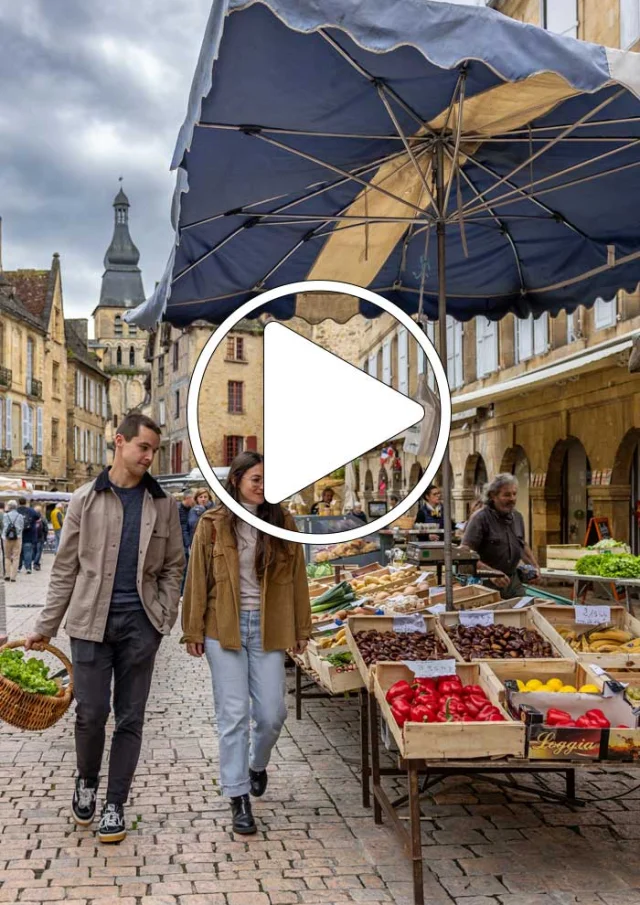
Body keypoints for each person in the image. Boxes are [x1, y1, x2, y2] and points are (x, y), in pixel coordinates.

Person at [25, 412, 184, 845]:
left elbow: (173, 567)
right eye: (144, 448)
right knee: (91, 713)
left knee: (131, 718)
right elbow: (65, 570)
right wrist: (45, 626)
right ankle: (87, 781)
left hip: (140, 626)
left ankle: (116, 803)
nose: (150, 456)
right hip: (89, 624)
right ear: (120, 442)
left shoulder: (164, 505)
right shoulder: (84, 499)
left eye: (153, 449)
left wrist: (163, 618)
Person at [182, 451, 311, 836]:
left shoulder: (283, 522)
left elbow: (299, 578)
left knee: (273, 714)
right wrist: (192, 630)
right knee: (233, 715)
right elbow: (197, 577)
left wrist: (302, 628)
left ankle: (257, 765)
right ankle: (238, 796)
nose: (263, 486)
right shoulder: (213, 523)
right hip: (224, 628)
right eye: (256, 479)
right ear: (237, 479)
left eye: (268, 480)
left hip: (268, 628)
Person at [461, 473, 540, 600]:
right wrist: (490, 573)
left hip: (512, 581)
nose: (512, 498)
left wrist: (535, 567)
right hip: (485, 583)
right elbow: (464, 554)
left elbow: (521, 544)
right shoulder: (480, 518)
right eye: (507, 495)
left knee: (525, 612)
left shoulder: (517, 517)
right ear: (493, 496)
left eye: (514, 494)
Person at [17, 497, 40, 574]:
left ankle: (18, 567)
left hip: (18, 535)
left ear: (19, 502)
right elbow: (38, 517)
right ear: (26, 502)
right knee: (28, 552)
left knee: (19, 552)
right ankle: (28, 568)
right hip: (29, 534)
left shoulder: (16, 511)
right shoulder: (31, 510)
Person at [2, 501, 24, 582]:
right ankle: (13, 577)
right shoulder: (20, 516)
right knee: (16, 557)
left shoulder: (5, 515)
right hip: (17, 538)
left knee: (7, 557)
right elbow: (22, 527)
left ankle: (7, 575)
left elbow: (4, 526)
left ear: (9, 507)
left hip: (7, 538)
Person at [32, 506, 46, 571]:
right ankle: (36, 563)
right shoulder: (42, 518)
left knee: (34, 550)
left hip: (33, 537)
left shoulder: (32, 517)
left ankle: (34, 562)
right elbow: (46, 528)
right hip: (41, 537)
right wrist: (45, 536)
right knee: (39, 551)